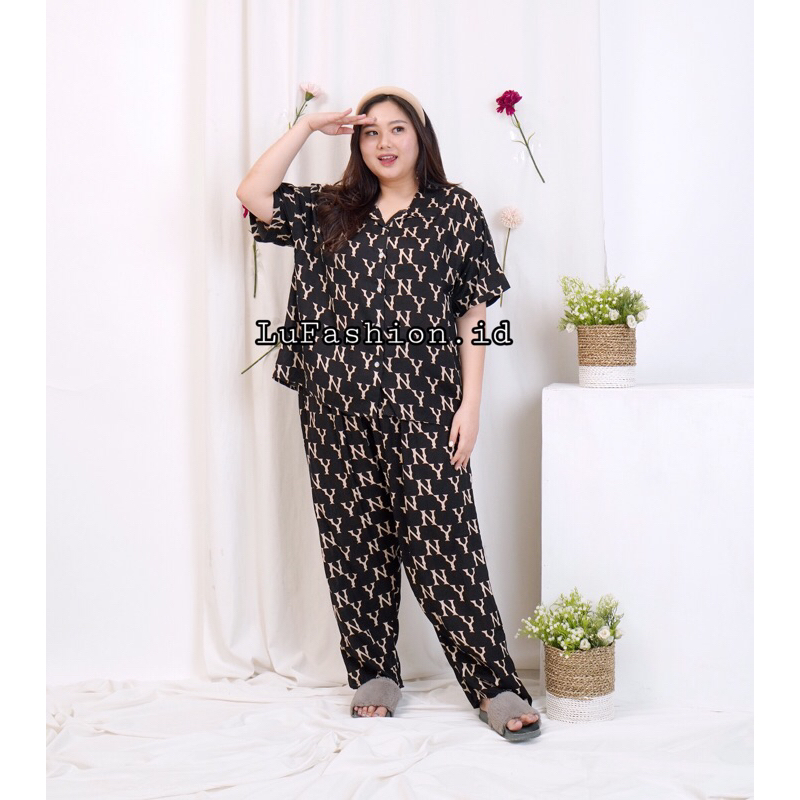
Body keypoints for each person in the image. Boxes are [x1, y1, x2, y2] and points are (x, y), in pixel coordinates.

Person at [236, 86, 541, 742]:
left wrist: (471, 404)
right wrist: (308, 127)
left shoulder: (454, 210)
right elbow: (254, 193)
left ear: (420, 137)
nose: (384, 142)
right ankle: (373, 672)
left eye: (398, 129)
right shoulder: (331, 208)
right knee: (352, 538)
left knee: (444, 541)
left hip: (425, 402)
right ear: (357, 142)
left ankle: (494, 683)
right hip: (334, 402)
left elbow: (473, 314)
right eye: (371, 131)